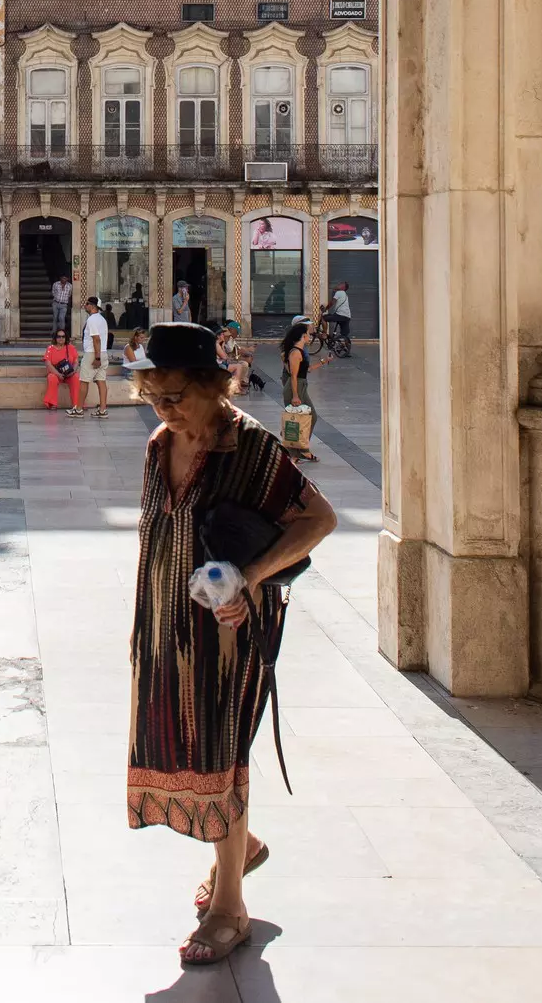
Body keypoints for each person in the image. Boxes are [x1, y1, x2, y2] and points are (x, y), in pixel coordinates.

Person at [128, 322, 337, 967]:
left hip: (232, 630)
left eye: (179, 396)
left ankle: (231, 909)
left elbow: (319, 519)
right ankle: (238, 847)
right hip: (168, 627)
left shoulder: (252, 448)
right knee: (181, 741)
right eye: (156, 396)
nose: (166, 410)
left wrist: (249, 578)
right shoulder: (159, 445)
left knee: (222, 744)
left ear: (216, 388)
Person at [281, 320, 318, 461]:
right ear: (302, 336)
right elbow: (294, 376)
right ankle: (297, 451)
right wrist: (295, 395)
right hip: (295, 387)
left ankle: (299, 450)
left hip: (301, 385)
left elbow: (305, 371)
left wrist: (323, 362)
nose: (309, 337)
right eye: (308, 334)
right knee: (301, 418)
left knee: (306, 417)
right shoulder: (295, 353)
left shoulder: (300, 351)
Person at [74, 295, 111, 419]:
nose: (85, 306)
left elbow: (96, 339)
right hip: (103, 352)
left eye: (87, 304)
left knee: (84, 381)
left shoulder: (92, 319)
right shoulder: (102, 319)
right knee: (101, 381)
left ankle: (78, 409)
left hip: (93, 353)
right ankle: (102, 410)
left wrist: (97, 358)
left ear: (92, 306)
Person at [43, 326, 80, 411]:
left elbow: (76, 362)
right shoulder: (50, 348)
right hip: (56, 373)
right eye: (59, 336)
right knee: (51, 378)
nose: (61, 338)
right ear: (55, 338)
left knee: (76, 377)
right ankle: (52, 403)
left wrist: (73, 371)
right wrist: (58, 374)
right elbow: (48, 364)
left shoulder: (71, 347)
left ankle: (77, 404)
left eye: (63, 336)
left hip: (69, 373)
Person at [328, 281, 352, 350]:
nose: (339, 284)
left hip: (340, 315)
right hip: (347, 316)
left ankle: (324, 334)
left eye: (341, 284)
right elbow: (334, 293)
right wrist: (335, 290)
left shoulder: (339, 292)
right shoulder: (344, 294)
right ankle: (346, 351)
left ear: (343, 287)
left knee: (324, 318)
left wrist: (325, 309)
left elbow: (332, 302)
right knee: (344, 334)